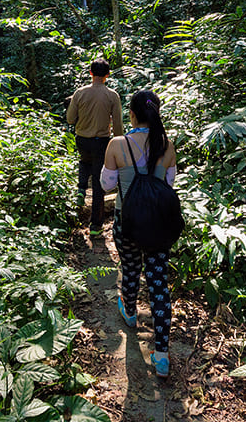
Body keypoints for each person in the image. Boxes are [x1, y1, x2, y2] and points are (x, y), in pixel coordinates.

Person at [100, 89, 177, 379]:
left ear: (131, 114)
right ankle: (162, 355)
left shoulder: (117, 145)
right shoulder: (167, 145)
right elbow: (169, 183)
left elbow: (107, 185)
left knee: (130, 269)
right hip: (158, 225)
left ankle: (130, 314)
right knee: (159, 283)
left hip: (127, 223)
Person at [66, 59, 124, 237]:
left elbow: (70, 119)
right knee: (99, 183)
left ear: (90, 73)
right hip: (102, 141)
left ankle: (81, 189)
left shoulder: (79, 93)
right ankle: (96, 225)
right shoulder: (112, 95)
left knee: (84, 161)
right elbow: (118, 124)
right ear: (107, 75)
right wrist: (119, 144)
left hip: (82, 139)